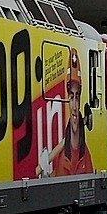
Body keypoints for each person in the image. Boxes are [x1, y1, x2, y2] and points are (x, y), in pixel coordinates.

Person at [38, 47, 93, 177]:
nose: (74, 106)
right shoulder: (63, 156)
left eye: (77, 97)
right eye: (71, 97)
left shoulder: (85, 156)